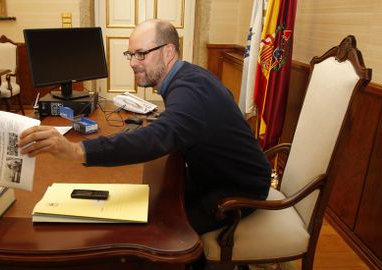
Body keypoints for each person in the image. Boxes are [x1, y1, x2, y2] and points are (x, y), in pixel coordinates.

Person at [19, 19, 271, 235]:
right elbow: (177, 124)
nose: (132, 62)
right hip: (214, 175)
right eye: (130, 54)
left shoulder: (190, 89)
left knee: (155, 235)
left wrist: (77, 151)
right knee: (153, 196)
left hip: (237, 192)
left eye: (141, 54)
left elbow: (159, 137)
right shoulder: (188, 77)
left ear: (168, 52)